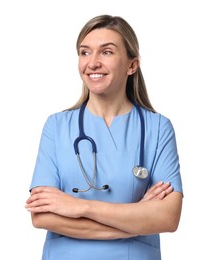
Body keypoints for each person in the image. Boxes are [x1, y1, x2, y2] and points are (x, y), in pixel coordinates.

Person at [25, 14, 183, 260]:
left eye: (107, 52)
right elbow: (42, 216)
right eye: (85, 52)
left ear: (132, 65)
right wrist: (137, 217)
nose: (93, 63)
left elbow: (167, 217)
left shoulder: (158, 128)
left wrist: (79, 207)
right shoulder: (56, 127)